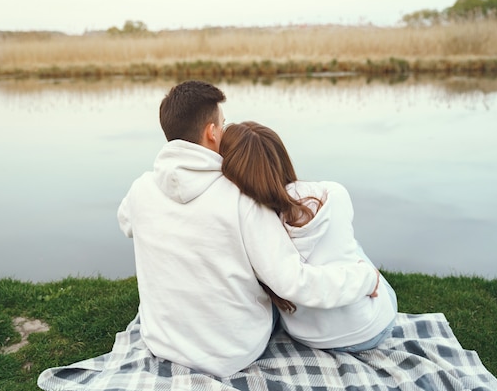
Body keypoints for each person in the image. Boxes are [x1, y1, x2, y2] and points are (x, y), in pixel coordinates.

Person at [117, 80, 380, 377]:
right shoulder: (240, 198)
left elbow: (126, 222)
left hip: (163, 340)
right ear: (211, 132)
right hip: (231, 351)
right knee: (350, 254)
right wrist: (363, 281)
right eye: (223, 123)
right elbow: (293, 282)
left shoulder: (141, 189)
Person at [219, 121, 398, 352]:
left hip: (308, 335)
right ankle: (370, 277)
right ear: (281, 157)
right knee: (353, 248)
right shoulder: (334, 193)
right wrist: (367, 278)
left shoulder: (251, 222)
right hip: (370, 328)